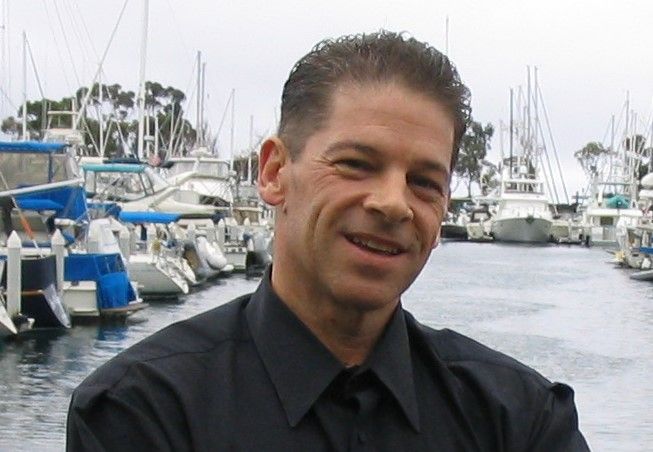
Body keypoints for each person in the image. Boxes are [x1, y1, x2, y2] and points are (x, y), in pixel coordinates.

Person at [67, 31, 590, 451]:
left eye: (424, 181)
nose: (393, 203)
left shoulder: (521, 420)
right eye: (356, 165)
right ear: (273, 172)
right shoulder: (141, 412)